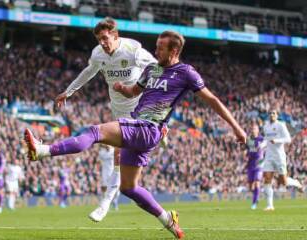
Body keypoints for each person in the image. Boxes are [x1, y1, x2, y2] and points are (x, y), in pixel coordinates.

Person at [25, 30, 246, 239]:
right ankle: (168, 220)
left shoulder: (186, 73)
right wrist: (122, 88)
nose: (156, 51)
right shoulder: (152, 69)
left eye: (161, 48)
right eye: (156, 46)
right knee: (129, 187)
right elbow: (134, 91)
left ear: (174, 52)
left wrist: (236, 127)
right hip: (141, 127)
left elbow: (213, 100)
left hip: (149, 128)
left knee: (95, 132)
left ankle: (43, 151)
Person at [55, 17, 157, 222]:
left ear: (115, 35)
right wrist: (69, 91)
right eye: (99, 39)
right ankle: (111, 201)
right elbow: (88, 72)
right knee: (121, 162)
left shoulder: (133, 50)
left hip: (141, 109)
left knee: (120, 157)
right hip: (119, 109)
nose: (102, 43)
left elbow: (157, 68)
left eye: (105, 38)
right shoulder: (98, 54)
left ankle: (105, 203)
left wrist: (152, 94)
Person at [262, 110, 303, 211]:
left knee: (283, 182)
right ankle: (270, 205)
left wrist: (277, 140)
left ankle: (296, 183)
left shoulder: (281, 125)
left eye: (274, 113)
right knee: (267, 179)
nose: (272, 115)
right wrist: (260, 146)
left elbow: (288, 139)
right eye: (270, 113)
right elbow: (266, 140)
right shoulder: (266, 126)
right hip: (269, 156)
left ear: (277, 116)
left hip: (279, 156)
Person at [245, 124, 265, 210]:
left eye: (254, 128)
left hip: (259, 164)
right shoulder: (249, 140)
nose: (253, 130)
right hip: (250, 164)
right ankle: (257, 196)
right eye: (252, 128)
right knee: (250, 187)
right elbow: (249, 151)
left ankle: (254, 204)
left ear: (258, 130)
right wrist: (245, 153)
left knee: (257, 183)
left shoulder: (262, 139)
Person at [98, 144, 119, 210]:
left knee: (115, 188)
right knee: (104, 188)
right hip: (105, 172)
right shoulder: (101, 152)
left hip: (113, 171)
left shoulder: (114, 150)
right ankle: (105, 203)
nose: (106, 145)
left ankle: (115, 201)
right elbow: (101, 157)